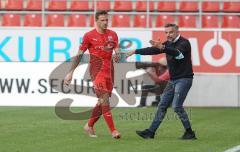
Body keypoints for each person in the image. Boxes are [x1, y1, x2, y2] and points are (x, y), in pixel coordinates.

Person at [127, 23, 196, 140]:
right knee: (162, 105)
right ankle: (151, 132)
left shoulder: (184, 43)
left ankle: (190, 133)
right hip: (173, 80)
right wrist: (135, 51)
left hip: (184, 79)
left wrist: (163, 48)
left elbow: (177, 53)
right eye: (166, 32)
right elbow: (152, 50)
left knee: (177, 106)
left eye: (171, 32)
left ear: (177, 32)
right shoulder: (168, 44)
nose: (168, 35)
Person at [64, 11, 121, 139]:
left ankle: (89, 125)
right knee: (105, 99)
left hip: (110, 71)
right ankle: (113, 130)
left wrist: (118, 55)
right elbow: (79, 55)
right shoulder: (89, 36)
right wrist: (70, 72)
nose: (105, 22)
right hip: (96, 71)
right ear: (96, 21)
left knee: (102, 102)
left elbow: (117, 50)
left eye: (107, 20)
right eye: (102, 20)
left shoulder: (113, 34)